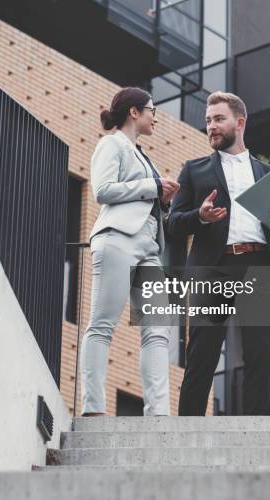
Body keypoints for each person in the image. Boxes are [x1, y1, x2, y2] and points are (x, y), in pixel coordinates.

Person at [166, 91, 270, 415]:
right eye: (208, 120)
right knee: (202, 354)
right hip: (214, 266)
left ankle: (259, 435)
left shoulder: (269, 174)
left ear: (239, 122)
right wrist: (200, 216)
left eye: (218, 119)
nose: (211, 126)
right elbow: (172, 224)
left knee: (259, 357)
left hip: (259, 266)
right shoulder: (194, 170)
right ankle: (187, 431)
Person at [80, 87, 180, 416]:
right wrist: (152, 187)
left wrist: (161, 200)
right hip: (118, 238)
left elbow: (144, 201)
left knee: (158, 328)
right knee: (102, 323)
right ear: (134, 112)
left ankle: (159, 413)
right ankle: (93, 408)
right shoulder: (111, 144)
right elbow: (102, 190)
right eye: (152, 110)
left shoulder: (143, 155)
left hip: (149, 248)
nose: (155, 117)